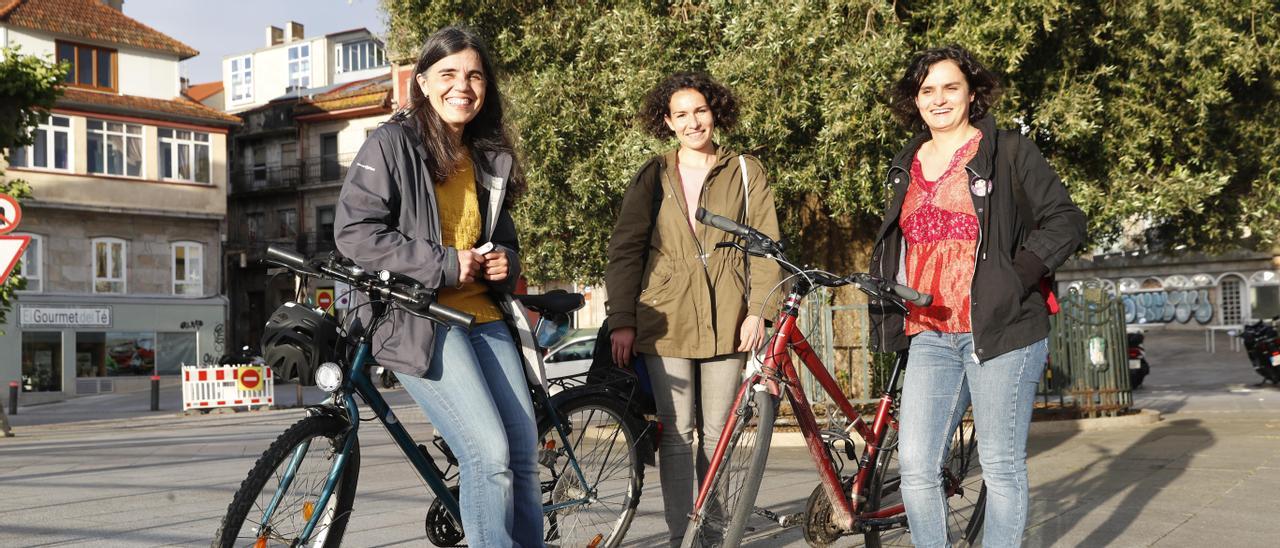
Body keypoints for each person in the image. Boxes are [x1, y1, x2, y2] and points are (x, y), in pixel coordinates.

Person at [869, 45, 1087, 547]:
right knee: (916, 466)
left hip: (1001, 331)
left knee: (1001, 467)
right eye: (927, 90)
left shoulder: (1008, 150)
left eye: (951, 87)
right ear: (914, 100)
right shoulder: (906, 163)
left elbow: (1066, 220)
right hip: (929, 332)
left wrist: (1017, 276)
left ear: (972, 93)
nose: (939, 99)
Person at [334, 26, 540, 547]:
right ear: (423, 82)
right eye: (448, 74)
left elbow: (502, 241)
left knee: (522, 452)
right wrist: (447, 265)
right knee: (487, 455)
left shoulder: (488, 155)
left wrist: (504, 264)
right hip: (417, 317)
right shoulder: (391, 144)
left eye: (474, 76)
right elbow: (355, 233)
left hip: (484, 317)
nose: (462, 87)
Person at [604, 71, 783, 546]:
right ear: (667, 121)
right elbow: (625, 249)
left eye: (699, 111)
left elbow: (765, 246)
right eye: (681, 114)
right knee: (678, 436)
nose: (692, 121)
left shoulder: (745, 170)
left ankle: (717, 535)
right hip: (666, 319)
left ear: (714, 112)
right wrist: (622, 318)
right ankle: (682, 536)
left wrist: (760, 311)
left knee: (720, 435)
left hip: (729, 317)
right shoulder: (653, 174)